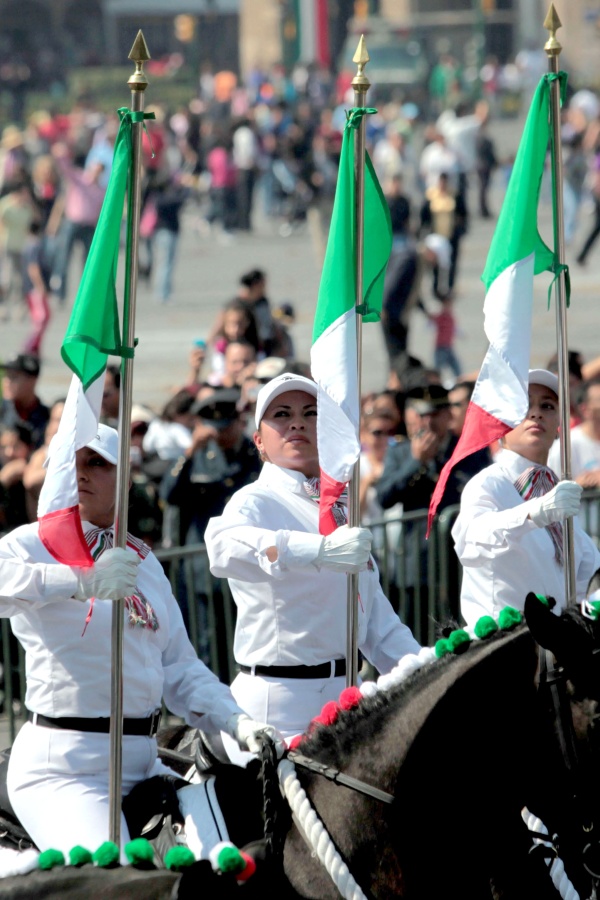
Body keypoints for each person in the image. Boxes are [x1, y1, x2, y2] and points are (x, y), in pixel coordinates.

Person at [1, 423, 282, 857]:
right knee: (123, 882)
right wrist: (78, 580)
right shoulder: (31, 544)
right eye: (69, 463)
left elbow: (180, 669)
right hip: (65, 772)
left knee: (233, 853)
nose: (80, 475)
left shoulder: (143, 562)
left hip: (143, 762)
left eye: (97, 463)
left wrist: (237, 720)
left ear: (125, 478)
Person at [204, 373, 420, 742]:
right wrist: (318, 551)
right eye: (282, 415)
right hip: (277, 708)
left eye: (311, 413)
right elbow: (221, 546)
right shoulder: (254, 501)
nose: (297, 423)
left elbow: (377, 626)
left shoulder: (339, 508)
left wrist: (428, 671)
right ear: (259, 441)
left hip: (348, 701)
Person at [452, 370, 600, 627]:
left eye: (547, 405)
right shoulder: (488, 482)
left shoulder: (554, 490)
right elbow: (470, 540)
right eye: (522, 405)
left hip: (556, 649)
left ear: (558, 426)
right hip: (502, 647)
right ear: (500, 423)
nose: (536, 413)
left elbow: (588, 570)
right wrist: (534, 513)